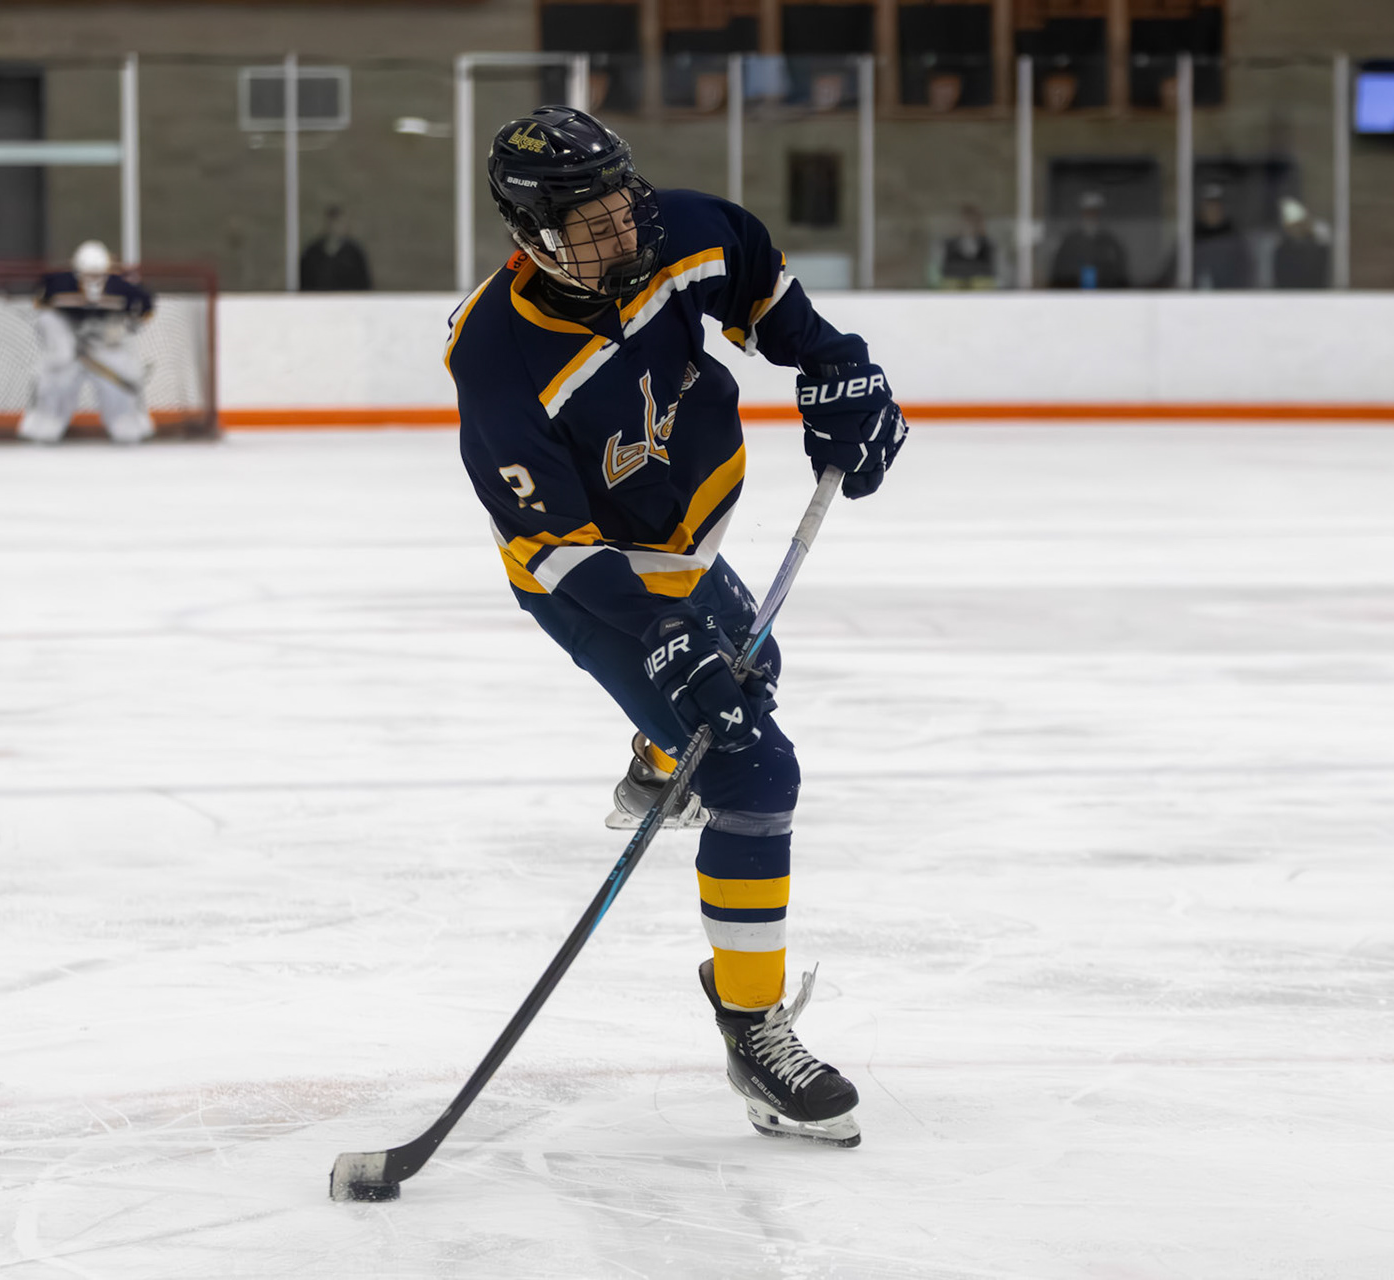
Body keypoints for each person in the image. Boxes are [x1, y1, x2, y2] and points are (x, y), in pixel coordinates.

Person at [445, 106, 907, 1149]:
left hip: (683, 542)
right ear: (530, 235)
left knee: (749, 671)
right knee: (752, 768)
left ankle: (659, 760)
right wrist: (660, 635)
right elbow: (554, 542)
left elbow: (773, 302)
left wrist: (839, 371)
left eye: (623, 205)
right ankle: (753, 1030)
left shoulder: (685, 232)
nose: (623, 232)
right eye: (591, 225)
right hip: (590, 577)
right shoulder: (497, 355)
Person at [17, 240, 154, 445]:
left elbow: (146, 308)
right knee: (55, 377)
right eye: (87, 275)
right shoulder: (57, 284)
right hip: (68, 346)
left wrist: (125, 328)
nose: (93, 280)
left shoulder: (122, 288)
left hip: (103, 345)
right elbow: (43, 311)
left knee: (121, 382)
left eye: (97, 275)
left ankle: (127, 422)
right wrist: (61, 336)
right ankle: (45, 421)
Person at [1048, 190, 1130, 289]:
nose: (1091, 216)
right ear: (1081, 214)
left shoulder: (1111, 242)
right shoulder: (1069, 242)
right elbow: (1059, 273)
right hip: (1073, 294)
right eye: (1087, 212)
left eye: (1095, 212)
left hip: (1105, 293)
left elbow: (1120, 275)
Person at [1191, 184, 1252, 290]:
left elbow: (1245, 278)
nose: (1213, 211)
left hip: (1228, 296)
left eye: (1216, 207)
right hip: (1194, 297)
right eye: (1208, 207)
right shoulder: (1191, 241)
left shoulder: (1235, 242)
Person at [299, 205, 372, 291]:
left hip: (348, 298)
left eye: (339, 223)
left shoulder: (354, 253)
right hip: (318, 298)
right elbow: (304, 281)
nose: (335, 227)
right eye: (332, 223)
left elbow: (364, 283)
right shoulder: (312, 253)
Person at [1272, 197, 1330, 289]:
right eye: (1293, 226)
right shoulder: (1283, 249)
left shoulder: (1318, 249)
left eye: (1299, 225)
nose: (1297, 229)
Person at [938, 204, 998, 289]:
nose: (969, 225)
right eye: (965, 221)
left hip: (980, 285)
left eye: (972, 221)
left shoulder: (986, 244)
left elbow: (990, 269)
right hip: (955, 284)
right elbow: (946, 269)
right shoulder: (950, 244)